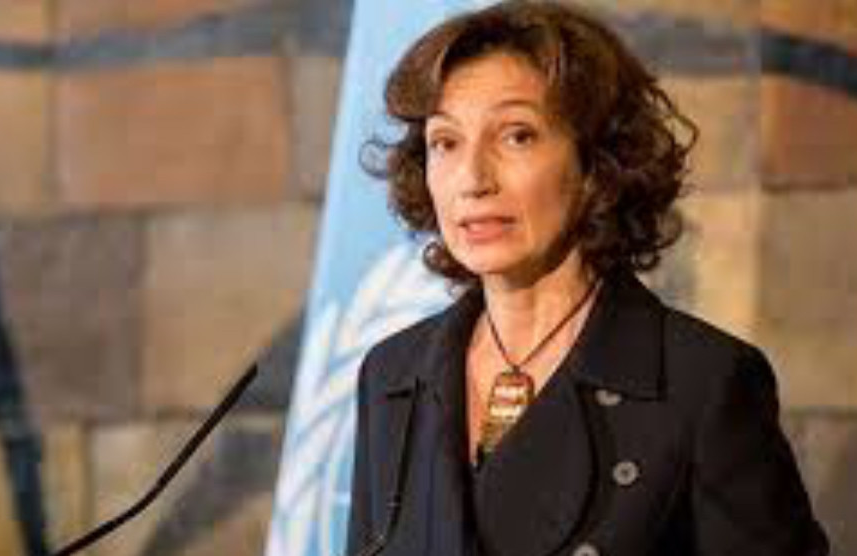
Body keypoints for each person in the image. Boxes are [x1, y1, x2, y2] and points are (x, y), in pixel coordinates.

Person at [346, 2, 829, 555]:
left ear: (597, 162)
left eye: (517, 136)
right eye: (445, 142)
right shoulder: (391, 375)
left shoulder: (703, 383)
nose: (473, 179)